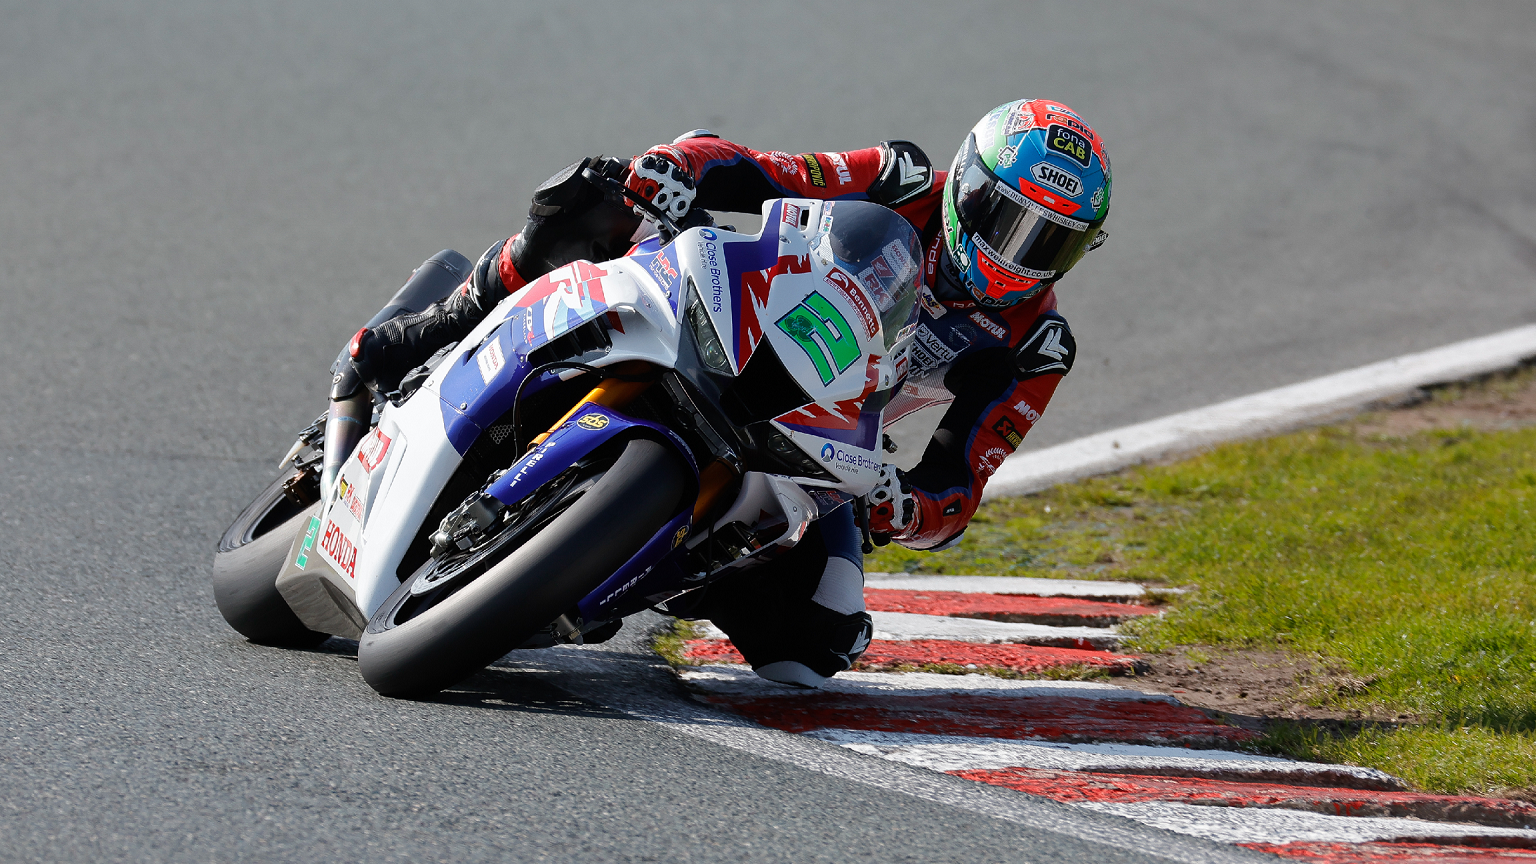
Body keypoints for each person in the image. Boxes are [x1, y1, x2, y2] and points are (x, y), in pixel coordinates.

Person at [350, 99, 1112, 687]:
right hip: (741, 314)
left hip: (821, 434)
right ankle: (437, 326)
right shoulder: (903, 178)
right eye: (1004, 221)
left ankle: (620, 564)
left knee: (818, 643)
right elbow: (764, 169)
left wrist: (907, 507)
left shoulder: (1036, 346)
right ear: (968, 187)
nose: (1016, 257)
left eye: (1050, 242)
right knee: (597, 198)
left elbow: (960, 480)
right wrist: (678, 167)